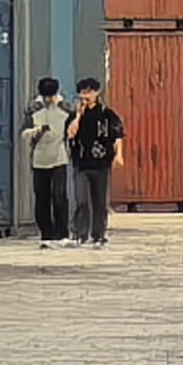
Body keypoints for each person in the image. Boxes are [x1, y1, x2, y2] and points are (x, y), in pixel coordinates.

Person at [65, 76, 123, 244]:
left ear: (96, 93)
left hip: (101, 162)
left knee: (100, 201)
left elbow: (117, 135)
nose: (86, 96)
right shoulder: (75, 114)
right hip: (81, 162)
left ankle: (99, 234)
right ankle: (80, 234)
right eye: (83, 92)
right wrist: (78, 115)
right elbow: (70, 134)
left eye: (89, 92)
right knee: (81, 200)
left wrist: (118, 154)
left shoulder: (106, 113)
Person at [22, 77, 71, 242]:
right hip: (39, 158)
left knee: (59, 196)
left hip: (59, 157)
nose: (49, 100)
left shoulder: (65, 108)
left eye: (51, 96)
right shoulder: (33, 110)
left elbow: (74, 122)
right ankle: (46, 232)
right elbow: (24, 133)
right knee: (42, 198)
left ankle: (62, 232)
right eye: (46, 97)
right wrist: (37, 130)